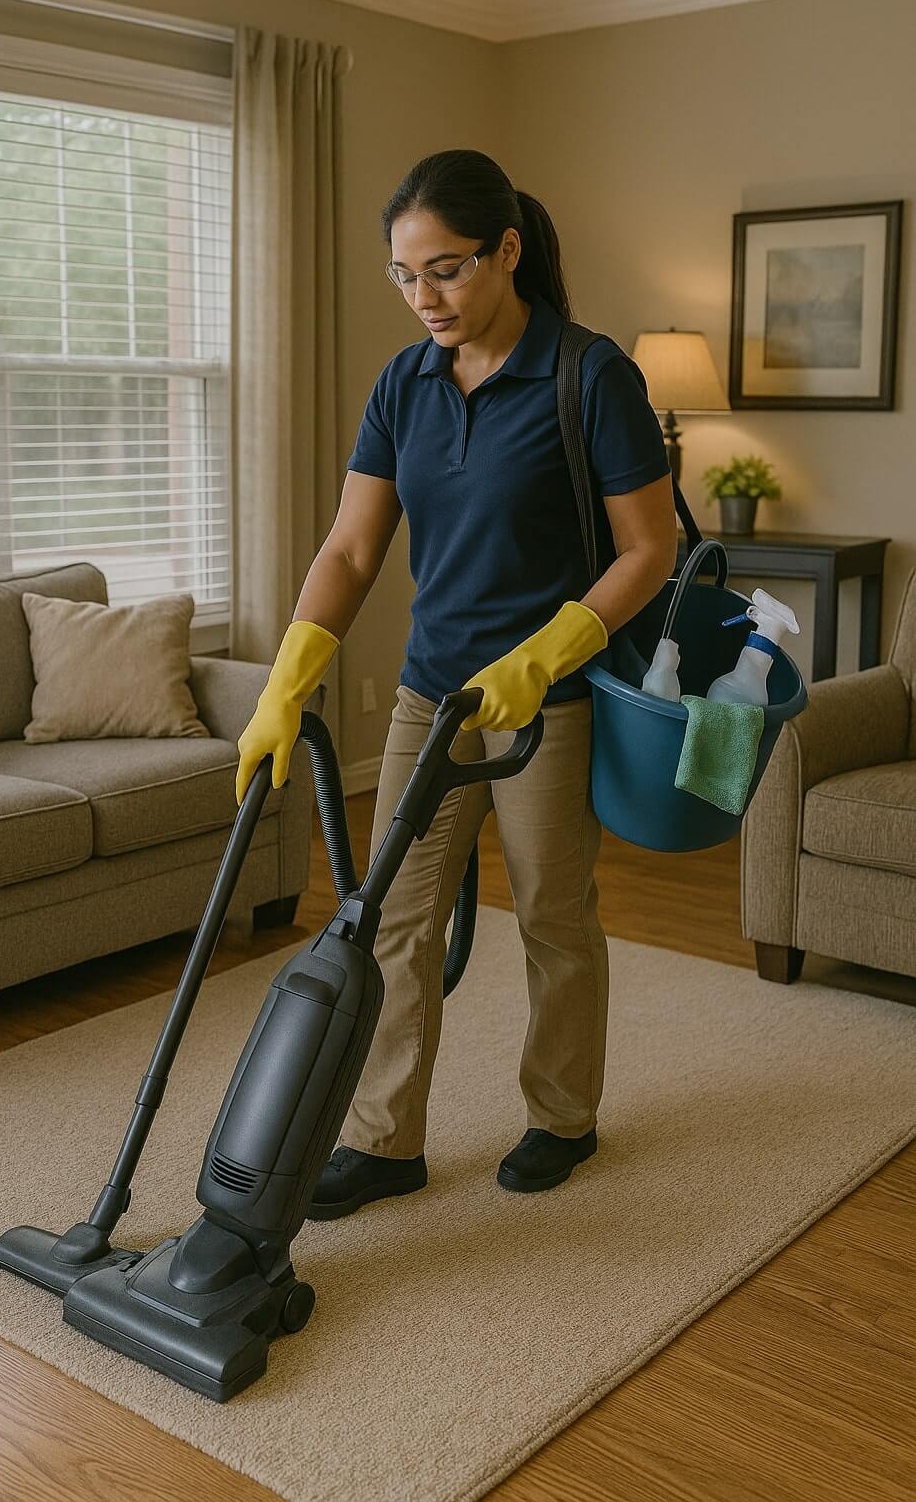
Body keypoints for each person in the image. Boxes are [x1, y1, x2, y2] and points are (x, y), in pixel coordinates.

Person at [235, 149, 677, 1219]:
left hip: (545, 701)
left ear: (507, 252)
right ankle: (387, 1142)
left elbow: (647, 547)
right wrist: (288, 677)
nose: (424, 296)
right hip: (434, 696)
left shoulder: (589, 373)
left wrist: (544, 655)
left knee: (551, 916)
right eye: (404, 273)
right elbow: (350, 548)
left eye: (446, 269)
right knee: (389, 917)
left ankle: (562, 1118)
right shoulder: (404, 382)